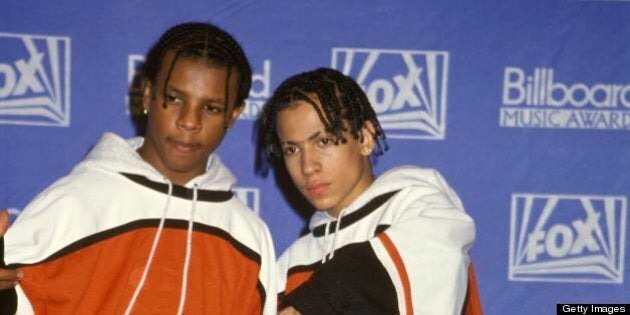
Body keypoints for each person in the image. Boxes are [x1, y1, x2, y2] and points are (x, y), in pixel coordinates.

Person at [0, 22, 276, 314]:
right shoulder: (73, 203)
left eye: (211, 108)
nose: (189, 121)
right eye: (175, 98)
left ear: (233, 116)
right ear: (147, 95)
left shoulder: (249, 238)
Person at [260, 68, 481, 314]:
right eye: (292, 150)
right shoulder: (290, 266)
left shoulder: (421, 210)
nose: (308, 166)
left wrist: (314, 303)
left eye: (324, 141)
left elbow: (433, 254)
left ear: (365, 138)